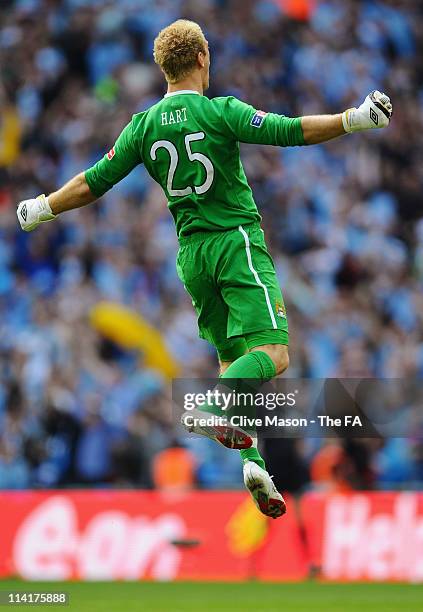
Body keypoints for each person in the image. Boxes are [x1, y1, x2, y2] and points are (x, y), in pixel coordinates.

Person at [16, 19, 392, 518]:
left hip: (191, 257)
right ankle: (211, 404)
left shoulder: (143, 126)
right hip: (234, 243)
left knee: (236, 361)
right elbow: (288, 131)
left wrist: (44, 206)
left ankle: (253, 462)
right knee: (274, 356)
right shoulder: (219, 111)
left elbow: (93, 182)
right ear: (202, 59)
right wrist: (354, 119)